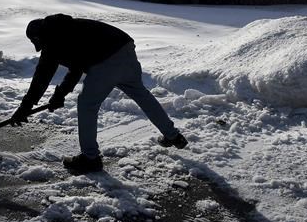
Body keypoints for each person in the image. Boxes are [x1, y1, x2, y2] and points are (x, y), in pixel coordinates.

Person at [11, 14, 187, 174]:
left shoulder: (54, 39)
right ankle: (173, 135)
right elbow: (64, 69)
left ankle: (90, 158)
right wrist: (52, 98)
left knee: (87, 105)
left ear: (39, 37)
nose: (40, 47)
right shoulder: (65, 29)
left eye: (37, 43)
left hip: (106, 59)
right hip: (125, 48)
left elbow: (51, 74)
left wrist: (33, 104)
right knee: (141, 95)